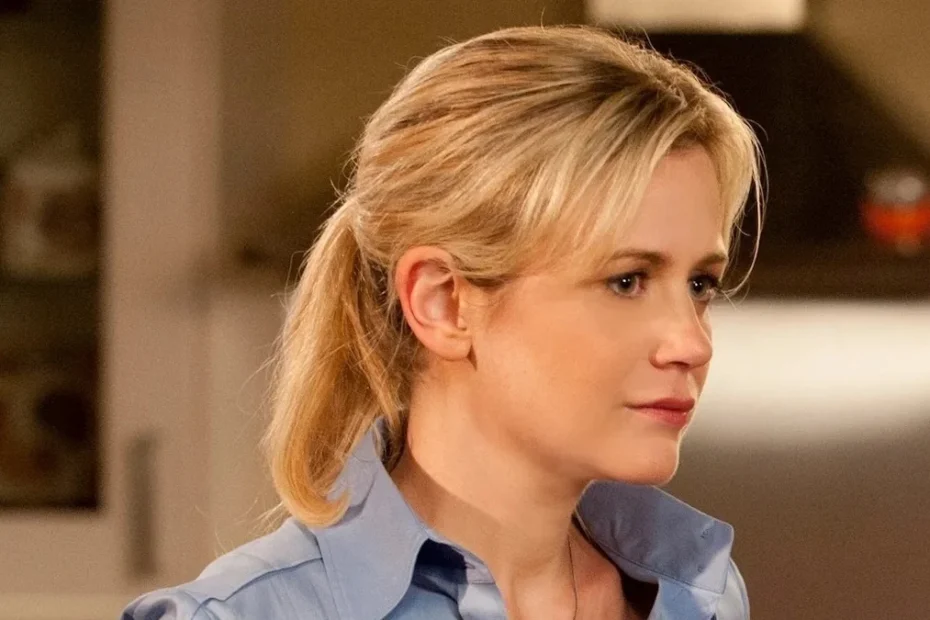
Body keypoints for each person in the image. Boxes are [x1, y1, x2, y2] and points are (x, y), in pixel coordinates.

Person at [123, 24, 762, 620]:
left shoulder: (697, 595)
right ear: (443, 302)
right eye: (626, 281)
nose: (692, 343)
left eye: (700, 285)